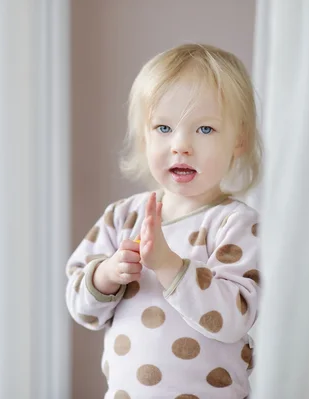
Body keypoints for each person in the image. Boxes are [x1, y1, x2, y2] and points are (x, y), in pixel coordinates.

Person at [66, 43, 262, 399]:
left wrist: (171, 266)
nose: (181, 145)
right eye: (163, 127)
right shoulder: (122, 216)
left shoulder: (236, 224)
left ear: (239, 140)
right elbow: (83, 310)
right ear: (145, 136)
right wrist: (105, 275)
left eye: (205, 129)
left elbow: (232, 321)